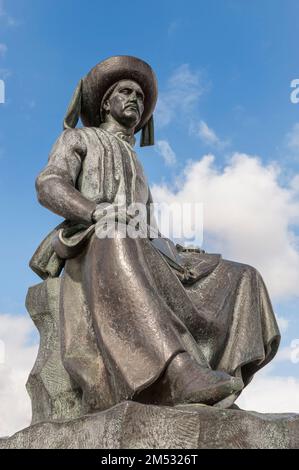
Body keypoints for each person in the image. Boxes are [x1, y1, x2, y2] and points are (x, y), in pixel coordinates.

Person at [30, 56, 280, 413]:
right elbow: (49, 184)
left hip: (140, 243)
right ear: (106, 102)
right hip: (92, 239)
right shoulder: (79, 138)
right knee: (116, 233)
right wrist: (95, 211)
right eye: (126, 92)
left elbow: (147, 226)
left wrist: (174, 249)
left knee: (242, 276)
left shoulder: (137, 163)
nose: (135, 99)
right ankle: (174, 372)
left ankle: (221, 381)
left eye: (140, 96)